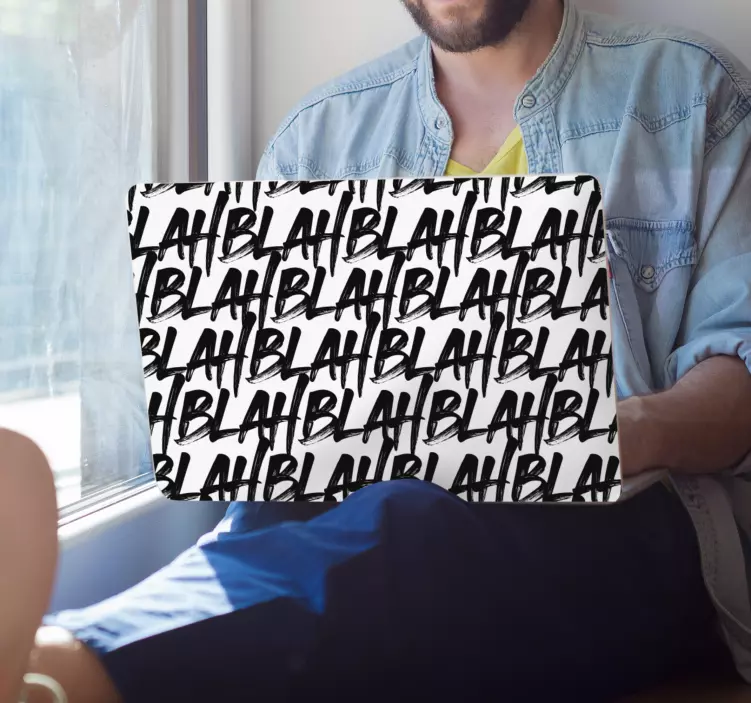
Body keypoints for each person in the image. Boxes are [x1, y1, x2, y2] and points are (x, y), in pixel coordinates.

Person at [4, 0, 751, 700]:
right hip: (365, 528)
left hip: (623, 526)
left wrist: (617, 429)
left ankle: (59, 670)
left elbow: (740, 379)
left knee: (411, 521)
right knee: (266, 521)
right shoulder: (320, 137)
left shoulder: (689, 93)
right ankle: (50, 660)